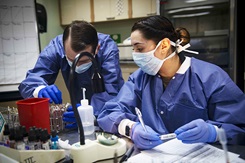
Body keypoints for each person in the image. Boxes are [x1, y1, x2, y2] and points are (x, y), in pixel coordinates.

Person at [97, 15, 245, 150]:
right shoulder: (140, 78)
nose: (135, 55)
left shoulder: (211, 77)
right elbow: (109, 113)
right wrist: (130, 128)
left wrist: (214, 132)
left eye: (140, 48)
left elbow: (239, 128)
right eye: (133, 49)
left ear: (164, 45)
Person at [18, 20, 124, 128]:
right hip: (79, 110)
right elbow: (30, 81)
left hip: (107, 114)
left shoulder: (107, 47)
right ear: (64, 48)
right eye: (71, 60)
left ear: (97, 49)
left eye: (83, 61)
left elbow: (112, 91)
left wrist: (90, 115)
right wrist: (38, 89)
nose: (77, 66)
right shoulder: (56, 47)